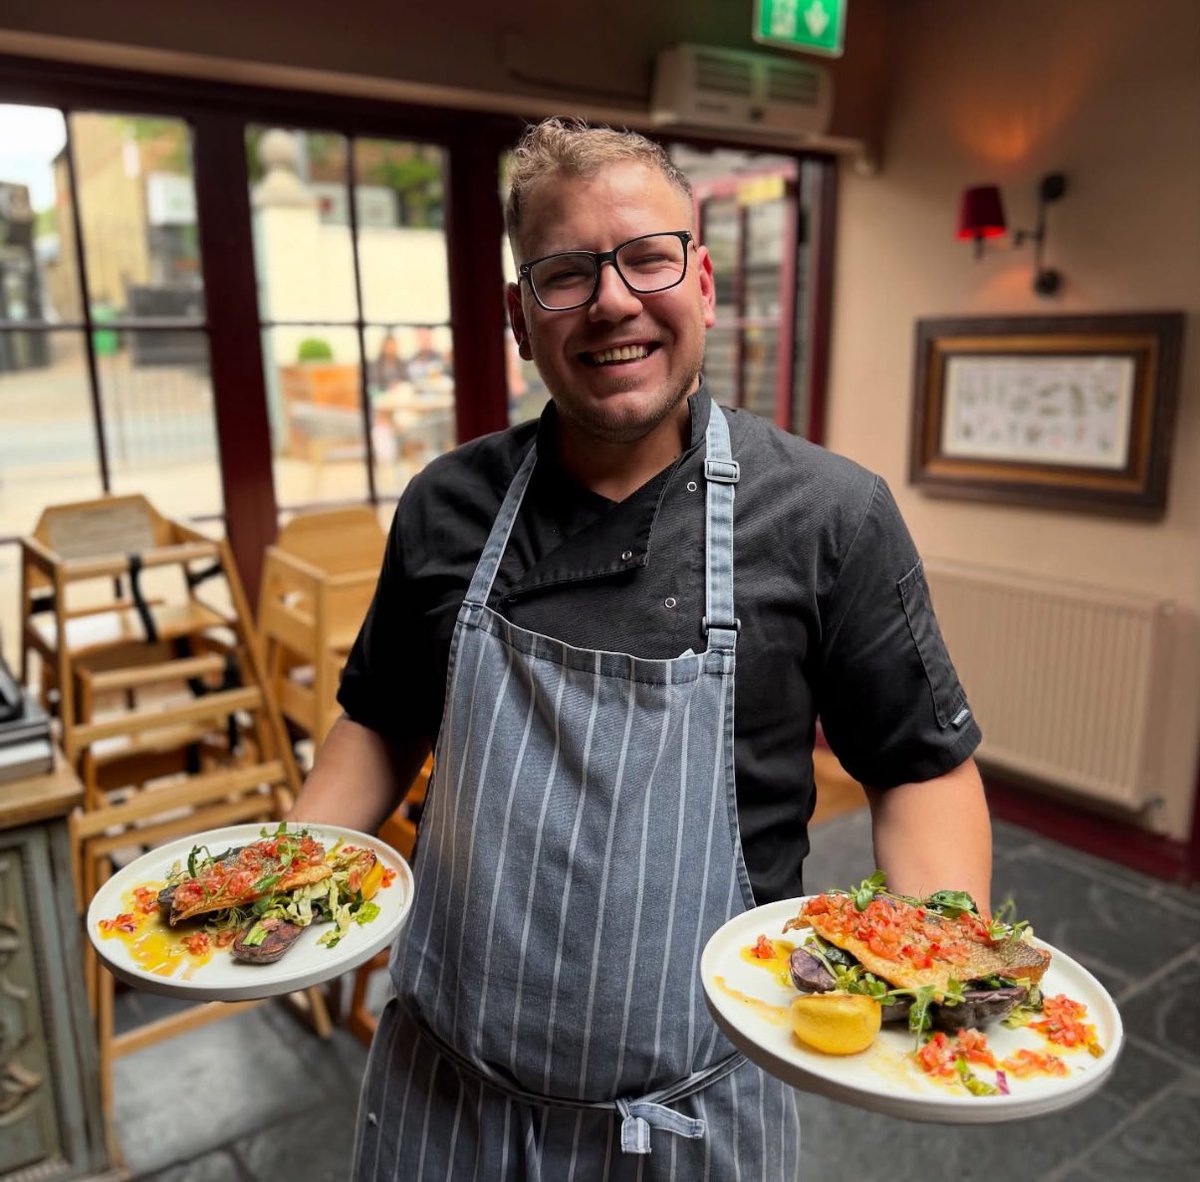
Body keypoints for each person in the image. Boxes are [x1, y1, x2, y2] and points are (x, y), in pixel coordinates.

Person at [291, 117, 992, 1179]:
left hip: (692, 1114)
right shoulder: (446, 506)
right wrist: (289, 875)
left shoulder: (827, 517)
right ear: (519, 322)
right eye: (564, 274)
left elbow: (919, 766)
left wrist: (935, 966)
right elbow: (380, 719)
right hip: (447, 1100)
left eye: (646, 258)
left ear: (701, 282)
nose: (613, 299)